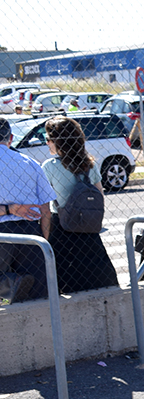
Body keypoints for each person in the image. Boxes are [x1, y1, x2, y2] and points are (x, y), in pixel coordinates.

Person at [40, 116, 118, 295]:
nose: (47, 144)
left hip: (62, 228)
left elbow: (44, 205)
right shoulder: (90, 163)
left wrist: (45, 236)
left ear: (57, 142)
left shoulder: (49, 167)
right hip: (88, 228)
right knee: (97, 278)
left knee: (64, 282)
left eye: (48, 140)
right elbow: (99, 194)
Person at [0, 117, 53, 303]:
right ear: (11, 138)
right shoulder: (30, 163)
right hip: (31, 232)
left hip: (2, 234)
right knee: (37, 294)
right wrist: (43, 240)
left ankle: (11, 285)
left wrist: (8, 209)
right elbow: (46, 210)